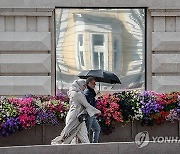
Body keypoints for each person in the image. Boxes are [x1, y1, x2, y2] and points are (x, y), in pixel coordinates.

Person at [51, 79, 101, 144]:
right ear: (79, 85)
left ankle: (88, 149)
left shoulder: (73, 93)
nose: (84, 88)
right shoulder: (78, 94)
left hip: (78, 116)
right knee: (68, 134)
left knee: (83, 135)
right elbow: (86, 105)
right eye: (84, 86)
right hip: (75, 117)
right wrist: (97, 111)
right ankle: (56, 145)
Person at [84, 77, 101, 143]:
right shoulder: (87, 92)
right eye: (93, 83)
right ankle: (87, 146)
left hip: (92, 114)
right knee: (87, 131)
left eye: (95, 83)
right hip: (88, 114)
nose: (95, 84)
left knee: (97, 129)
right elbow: (89, 104)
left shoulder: (91, 91)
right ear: (89, 83)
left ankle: (94, 144)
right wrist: (96, 97)